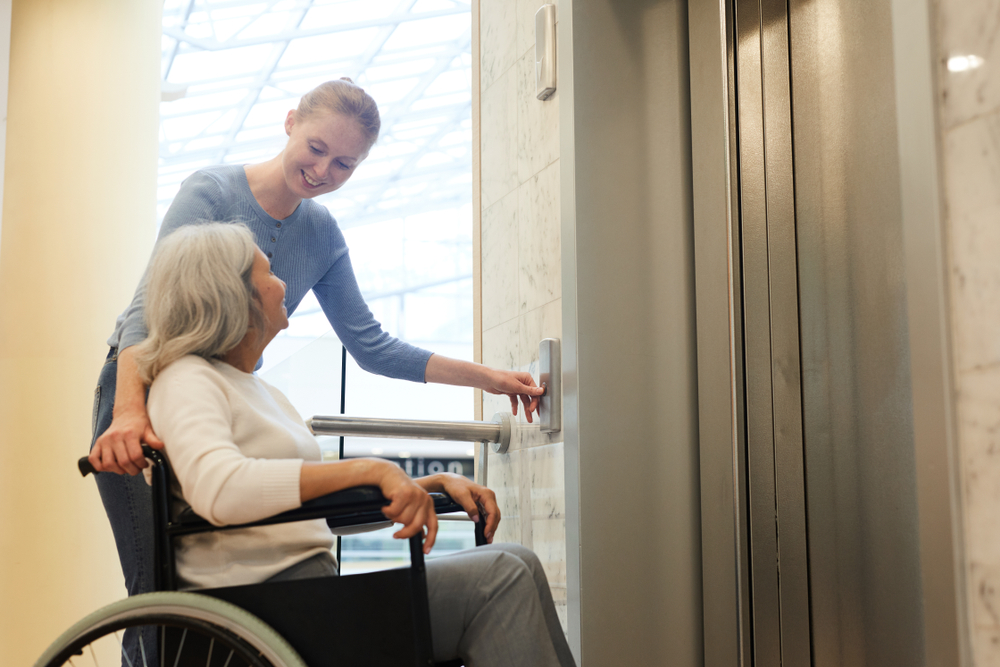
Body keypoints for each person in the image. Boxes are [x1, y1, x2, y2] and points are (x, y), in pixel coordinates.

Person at [88, 79, 544, 623]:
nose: (323, 171)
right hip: (145, 381)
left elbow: (371, 345)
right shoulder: (211, 191)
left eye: (344, 165)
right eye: (316, 148)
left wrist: (487, 378)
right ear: (290, 124)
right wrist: (129, 413)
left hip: (231, 389)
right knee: (156, 588)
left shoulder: (321, 233)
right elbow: (147, 314)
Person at [134, 222, 575, 667]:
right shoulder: (187, 379)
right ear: (234, 294)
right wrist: (373, 471)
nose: (283, 282)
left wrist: (430, 485)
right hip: (264, 612)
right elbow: (220, 490)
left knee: (516, 559)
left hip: (305, 598)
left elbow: (313, 510)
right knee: (499, 579)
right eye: (267, 273)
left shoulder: (257, 390)